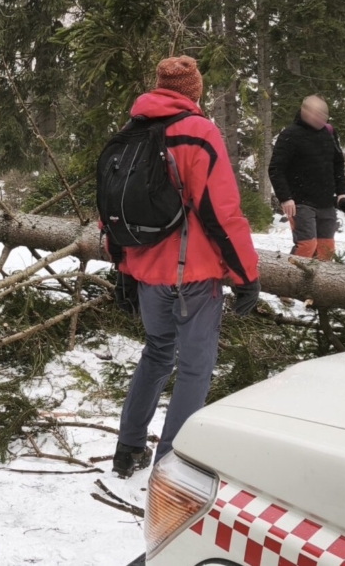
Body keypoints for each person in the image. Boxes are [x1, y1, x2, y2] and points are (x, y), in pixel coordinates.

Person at [110, 56, 260, 478]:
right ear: (194, 91)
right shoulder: (199, 133)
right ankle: (171, 469)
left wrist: (122, 267)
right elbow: (223, 212)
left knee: (156, 353)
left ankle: (128, 448)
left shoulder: (131, 132)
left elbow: (112, 209)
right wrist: (246, 275)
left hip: (144, 272)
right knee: (195, 368)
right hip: (192, 276)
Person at [268, 96, 345, 260]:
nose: (322, 118)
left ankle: (320, 284)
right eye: (317, 114)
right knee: (307, 245)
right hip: (300, 202)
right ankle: (291, 281)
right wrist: (285, 198)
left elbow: (338, 163)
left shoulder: (329, 132)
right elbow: (275, 168)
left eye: (324, 114)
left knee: (326, 248)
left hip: (326, 201)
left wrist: (342, 193)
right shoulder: (290, 134)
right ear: (304, 112)